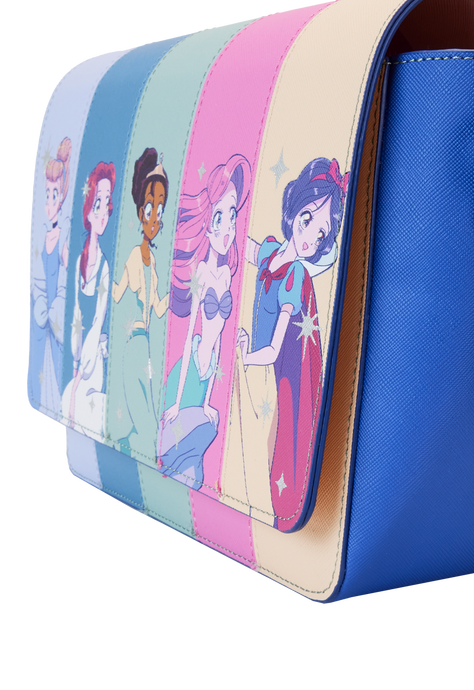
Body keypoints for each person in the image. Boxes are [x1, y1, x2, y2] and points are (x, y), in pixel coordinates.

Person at [238, 157, 348, 530]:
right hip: (257, 369)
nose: (310, 238)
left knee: (267, 449)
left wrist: (244, 354)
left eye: (321, 235)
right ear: (294, 208)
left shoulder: (296, 276)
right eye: (307, 220)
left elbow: (273, 350)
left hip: (272, 377)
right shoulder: (271, 251)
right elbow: (246, 248)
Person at [159, 154, 251, 490]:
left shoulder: (226, 275)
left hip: (208, 367)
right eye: (219, 217)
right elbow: (188, 338)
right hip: (187, 371)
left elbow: (221, 338)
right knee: (184, 436)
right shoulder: (202, 272)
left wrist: (210, 399)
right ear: (206, 222)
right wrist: (175, 401)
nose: (227, 227)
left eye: (232, 215)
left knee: (199, 445)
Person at [112, 148, 169, 458]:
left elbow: (157, 308)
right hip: (133, 344)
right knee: (146, 423)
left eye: (160, 210)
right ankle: (126, 444)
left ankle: (125, 443)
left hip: (145, 345)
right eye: (150, 209)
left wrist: (183, 295)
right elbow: (118, 293)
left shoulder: (154, 263)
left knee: (149, 419)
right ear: (140, 213)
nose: (155, 218)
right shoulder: (135, 256)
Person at [62, 161, 116, 441]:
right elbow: (75, 314)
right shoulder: (79, 263)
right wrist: (74, 366)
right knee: (68, 402)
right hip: (79, 358)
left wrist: (81, 373)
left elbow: (98, 321)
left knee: (83, 408)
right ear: (88, 209)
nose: (104, 212)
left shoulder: (104, 267)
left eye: (107, 203)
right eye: (98, 203)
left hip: (94, 363)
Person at [31, 137, 71, 418]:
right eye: (46, 194)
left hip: (57, 318)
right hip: (40, 316)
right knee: (40, 376)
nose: (49, 202)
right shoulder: (44, 236)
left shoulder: (62, 239)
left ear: (63, 195)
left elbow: (67, 279)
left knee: (58, 372)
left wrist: (56, 308)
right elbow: (38, 277)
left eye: (54, 194)